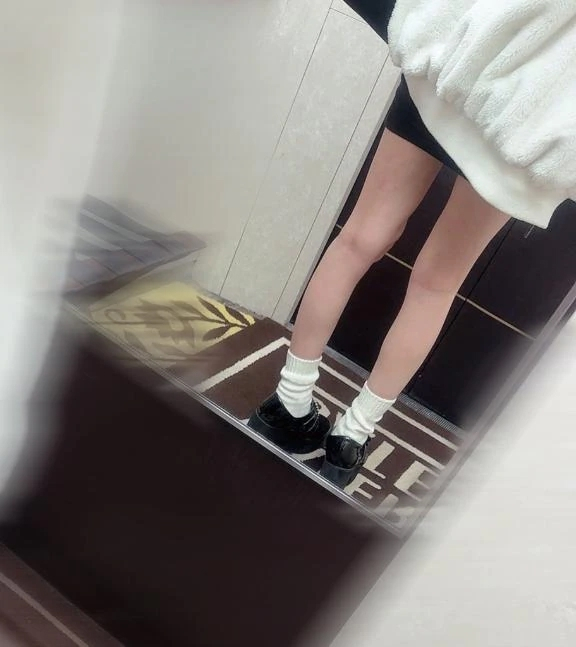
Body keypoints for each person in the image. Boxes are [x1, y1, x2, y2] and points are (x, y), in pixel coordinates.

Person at [248, 0, 576, 487]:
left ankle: (288, 403)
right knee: (436, 285)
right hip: (534, 116)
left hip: (464, 57)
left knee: (358, 239)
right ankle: (351, 439)